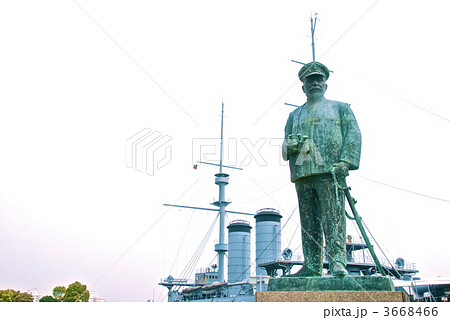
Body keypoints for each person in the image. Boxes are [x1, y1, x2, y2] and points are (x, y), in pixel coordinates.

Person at [282, 61, 361, 277]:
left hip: (330, 171)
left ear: (325, 85)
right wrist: (290, 146)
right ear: (303, 87)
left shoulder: (340, 108)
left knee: (333, 218)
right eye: (310, 80)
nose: (315, 83)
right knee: (309, 223)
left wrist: (346, 161)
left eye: (319, 79)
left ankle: (337, 262)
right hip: (303, 173)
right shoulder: (294, 115)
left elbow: (353, 135)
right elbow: (286, 144)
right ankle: (312, 264)